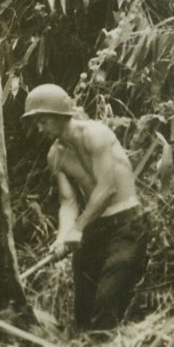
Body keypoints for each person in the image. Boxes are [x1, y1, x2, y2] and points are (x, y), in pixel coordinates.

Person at [23, 83, 149, 332]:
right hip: (95, 227)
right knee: (84, 308)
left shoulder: (96, 134)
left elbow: (107, 189)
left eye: (43, 121)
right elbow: (68, 201)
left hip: (127, 226)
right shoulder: (55, 156)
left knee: (107, 302)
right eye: (36, 122)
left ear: (60, 115)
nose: (39, 128)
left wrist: (78, 227)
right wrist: (63, 237)